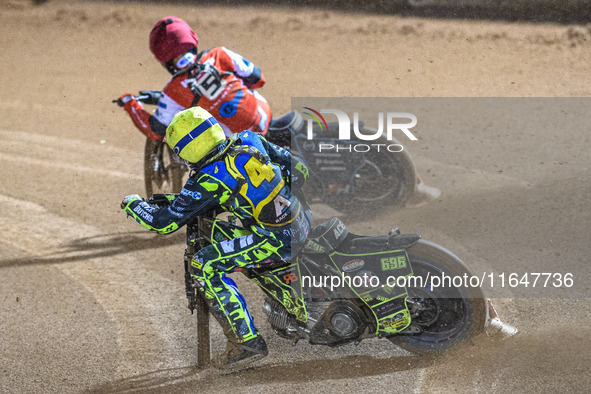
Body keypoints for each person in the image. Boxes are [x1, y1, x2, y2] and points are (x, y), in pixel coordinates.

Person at [120, 106, 312, 367]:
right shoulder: (249, 139)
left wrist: (133, 203)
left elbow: (162, 224)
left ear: (188, 148)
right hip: (303, 221)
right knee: (219, 231)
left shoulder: (207, 178)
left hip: (276, 240)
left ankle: (246, 342)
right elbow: (300, 170)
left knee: (204, 263)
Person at [118, 16, 272, 141]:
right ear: (191, 39)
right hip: (264, 118)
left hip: (239, 146)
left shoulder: (172, 92)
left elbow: (155, 131)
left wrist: (130, 104)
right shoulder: (220, 54)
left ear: (163, 60)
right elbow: (259, 79)